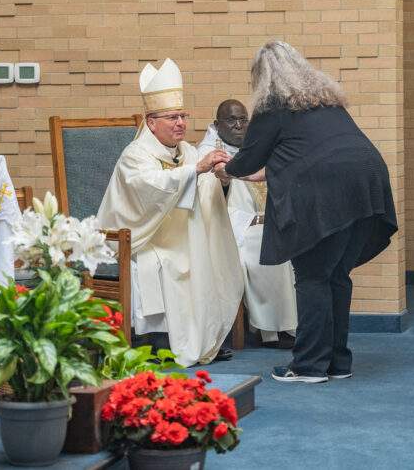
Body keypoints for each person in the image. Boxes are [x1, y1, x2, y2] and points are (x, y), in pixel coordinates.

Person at [217, 41, 397, 384]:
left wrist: (227, 167)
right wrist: (263, 171)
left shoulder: (272, 108)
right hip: (367, 182)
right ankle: (337, 361)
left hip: (327, 191)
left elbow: (248, 159)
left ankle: (309, 366)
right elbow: (311, 152)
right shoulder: (326, 103)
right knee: (336, 276)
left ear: (262, 78)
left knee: (313, 277)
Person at [97, 59, 244, 367]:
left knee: (204, 253)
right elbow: (147, 190)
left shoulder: (188, 152)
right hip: (138, 238)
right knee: (163, 260)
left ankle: (201, 337)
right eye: (172, 117)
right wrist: (196, 171)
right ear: (151, 122)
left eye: (183, 116)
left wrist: (221, 180)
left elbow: (202, 188)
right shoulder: (136, 155)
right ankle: (157, 341)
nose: (180, 123)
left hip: (180, 235)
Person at [199, 99, 298, 349]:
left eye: (243, 119)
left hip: (265, 223)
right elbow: (208, 203)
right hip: (230, 229)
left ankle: (285, 326)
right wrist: (249, 219)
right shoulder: (208, 154)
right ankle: (273, 330)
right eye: (231, 120)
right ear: (216, 124)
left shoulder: (257, 147)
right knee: (264, 249)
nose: (238, 125)